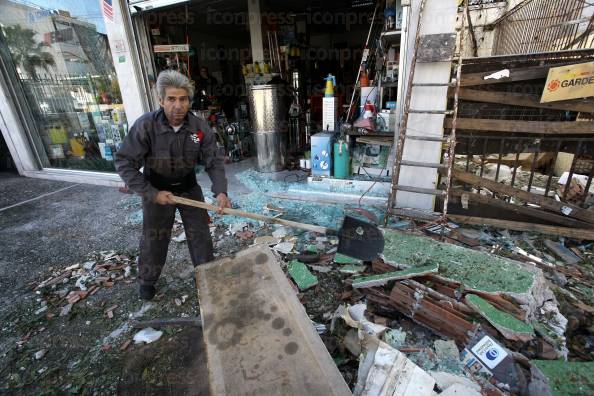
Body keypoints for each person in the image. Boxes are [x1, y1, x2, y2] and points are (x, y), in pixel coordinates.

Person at [115, 70, 230, 300]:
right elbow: (124, 161)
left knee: (200, 237)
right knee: (154, 238)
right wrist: (150, 193)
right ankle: (147, 281)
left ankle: (206, 279)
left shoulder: (198, 129)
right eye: (171, 99)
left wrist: (221, 191)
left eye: (183, 99)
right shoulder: (146, 126)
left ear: (189, 100)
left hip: (188, 188)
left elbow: (213, 161)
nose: (178, 105)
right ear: (160, 100)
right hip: (157, 190)